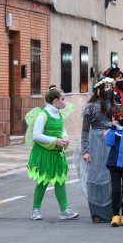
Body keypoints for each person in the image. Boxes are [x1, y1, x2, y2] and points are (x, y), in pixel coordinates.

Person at [28, 85, 79, 221]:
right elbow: (36, 135)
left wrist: (65, 138)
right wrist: (55, 141)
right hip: (44, 153)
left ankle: (64, 210)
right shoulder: (43, 115)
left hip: (57, 153)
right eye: (63, 99)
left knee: (60, 180)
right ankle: (35, 210)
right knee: (42, 181)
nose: (64, 102)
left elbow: (62, 130)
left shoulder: (58, 115)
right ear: (56, 101)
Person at [80, 77, 115, 223]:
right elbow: (85, 131)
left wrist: (113, 127)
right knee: (94, 177)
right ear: (99, 88)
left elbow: (121, 125)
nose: (109, 88)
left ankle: (111, 210)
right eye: (106, 86)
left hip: (111, 143)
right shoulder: (90, 107)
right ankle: (96, 212)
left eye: (111, 86)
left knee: (110, 177)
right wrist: (85, 150)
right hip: (95, 144)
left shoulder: (115, 105)